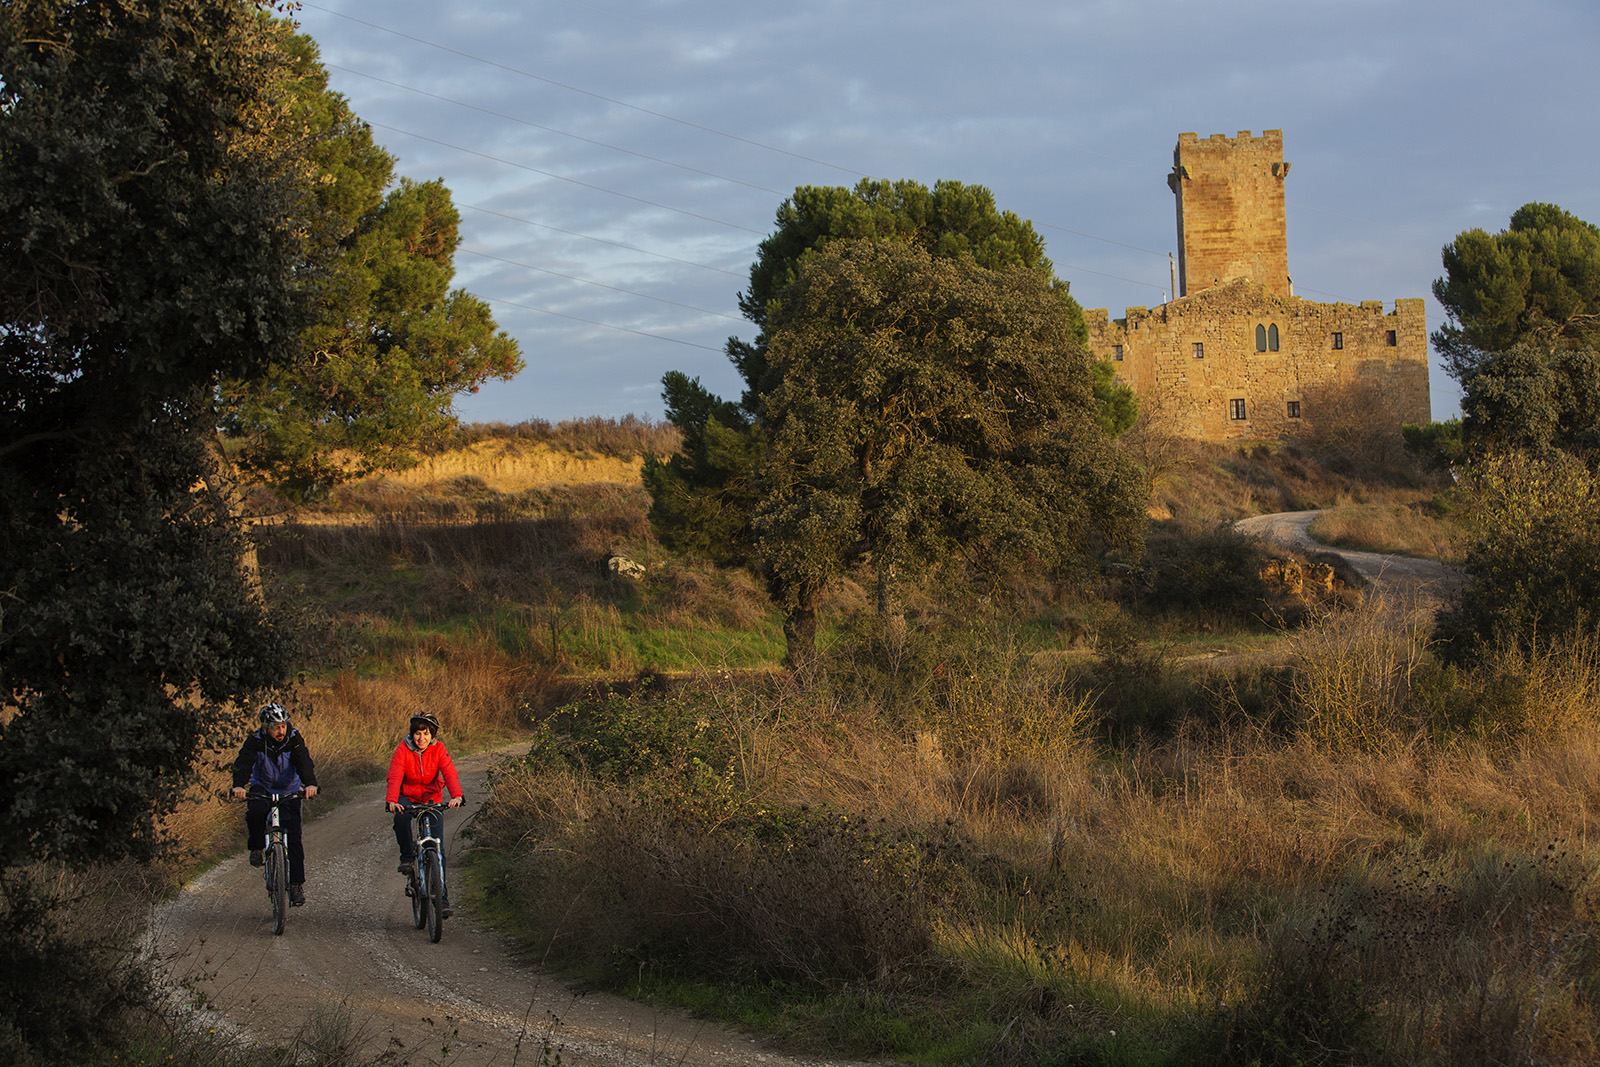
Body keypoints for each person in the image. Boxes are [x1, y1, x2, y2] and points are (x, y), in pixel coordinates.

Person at [232, 702, 319, 906]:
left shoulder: (294, 738)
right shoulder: (255, 741)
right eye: (275, 727)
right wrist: (238, 785)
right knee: (255, 812)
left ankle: (296, 885)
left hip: (289, 788)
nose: (281, 731)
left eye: (283, 726)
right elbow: (243, 763)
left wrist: (310, 784)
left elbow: (303, 761)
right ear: (265, 727)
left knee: (295, 837)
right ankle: (256, 848)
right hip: (263, 786)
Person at [385, 712, 464, 918]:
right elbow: (395, 774)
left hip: (431, 797)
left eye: (426, 734)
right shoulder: (403, 749)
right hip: (407, 796)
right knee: (401, 818)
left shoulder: (439, 749)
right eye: (418, 734)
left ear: (432, 735)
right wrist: (392, 800)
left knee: (437, 847)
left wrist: (456, 795)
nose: (421, 738)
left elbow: (449, 772)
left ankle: (442, 899)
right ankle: (407, 857)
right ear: (412, 734)